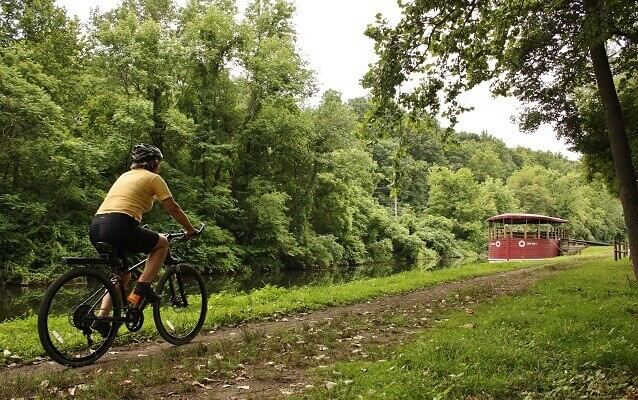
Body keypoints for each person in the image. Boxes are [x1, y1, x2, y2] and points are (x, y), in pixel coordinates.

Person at [89, 144, 197, 336]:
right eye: (159, 163)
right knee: (162, 243)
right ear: (154, 163)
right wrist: (190, 229)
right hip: (120, 225)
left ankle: (103, 318)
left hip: (97, 226)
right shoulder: (154, 178)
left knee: (122, 275)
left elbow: (127, 204)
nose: (159, 167)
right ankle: (143, 286)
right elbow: (172, 208)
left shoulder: (124, 176)